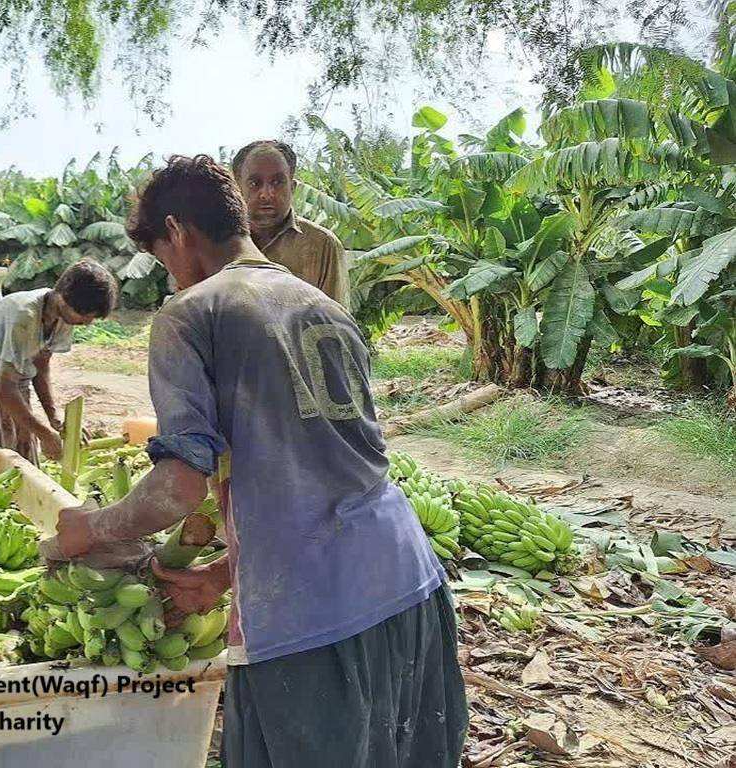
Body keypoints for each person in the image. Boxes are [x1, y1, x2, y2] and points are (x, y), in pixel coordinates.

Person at [44, 156, 466, 767]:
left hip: (314, 621)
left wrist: (93, 527)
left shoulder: (190, 315)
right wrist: (225, 573)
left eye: (163, 256)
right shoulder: (324, 307)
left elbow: (177, 489)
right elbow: (327, 469)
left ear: (179, 231)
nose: (170, 275)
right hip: (410, 586)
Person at [0, 260, 118, 463]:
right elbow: (3, 390)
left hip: (14, 383)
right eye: (84, 315)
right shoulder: (24, 317)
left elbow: (41, 366)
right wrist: (45, 434)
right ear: (63, 298)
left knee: (22, 460)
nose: (87, 323)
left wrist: (53, 417)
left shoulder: (62, 316)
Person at [231, 140, 350, 306]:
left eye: (277, 182)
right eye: (254, 183)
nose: (267, 194)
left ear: (292, 187)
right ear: (237, 189)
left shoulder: (322, 245)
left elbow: (334, 323)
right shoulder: (214, 241)